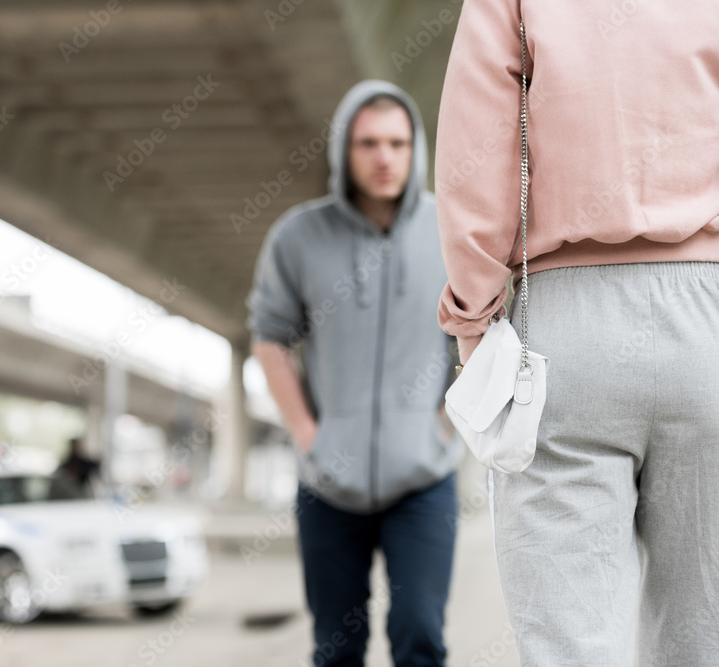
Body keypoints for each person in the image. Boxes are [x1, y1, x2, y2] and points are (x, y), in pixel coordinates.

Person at [435, 2, 719, 665]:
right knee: (704, 638)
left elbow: (476, 157)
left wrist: (473, 319)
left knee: (571, 646)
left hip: (562, 335)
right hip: (709, 321)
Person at [247, 80, 462, 667]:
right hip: (327, 483)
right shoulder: (298, 236)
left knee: (420, 633)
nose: (384, 157)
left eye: (397, 142)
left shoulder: (452, 230)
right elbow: (268, 337)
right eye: (368, 143)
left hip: (424, 479)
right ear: (344, 149)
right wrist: (308, 433)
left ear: (416, 148)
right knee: (336, 647)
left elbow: (485, 330)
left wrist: (445, 425)